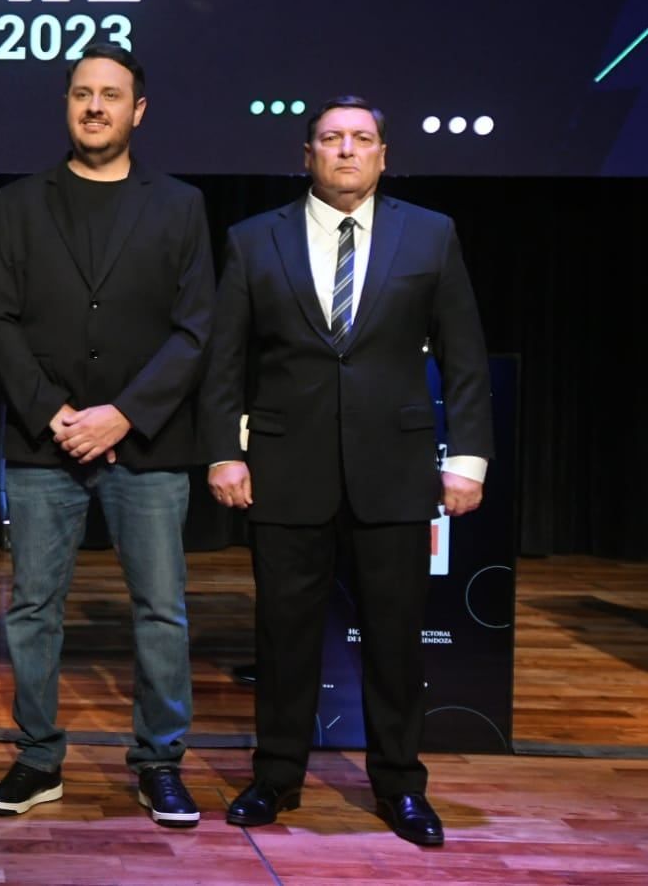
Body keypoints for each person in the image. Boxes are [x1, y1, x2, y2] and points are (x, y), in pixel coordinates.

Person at [202, 96, 493, 847]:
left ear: (382, 155)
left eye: (360, 139)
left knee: (395, 641)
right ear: (306, 154)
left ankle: (399, 786)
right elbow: (223, 361)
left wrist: (465, 458)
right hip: (283, 467)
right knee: (283, 637)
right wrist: (223, 451)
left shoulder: (430, 235)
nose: (345, 151)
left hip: (393, 471)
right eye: (329, 139)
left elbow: (462, 355)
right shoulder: (250, 239)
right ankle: (274, 778)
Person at [0, 43, 212, 825]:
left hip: (146, 443)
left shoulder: (179, 205)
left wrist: (122, 414)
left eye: (111, 95)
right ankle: (38, 758)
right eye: (82, 93)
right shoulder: (17, 202)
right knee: (34, 608)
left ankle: (157, 762)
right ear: (66, 104)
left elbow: (193, 330)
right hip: (45, 441)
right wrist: (53, 411)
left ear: (137, 111)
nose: (94, 107)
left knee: (159, 609)